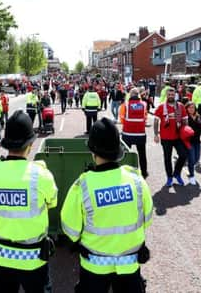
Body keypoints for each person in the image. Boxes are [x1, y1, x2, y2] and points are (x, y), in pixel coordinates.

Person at [60, 118, 152, 293]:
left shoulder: (83, 185)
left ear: (92, 151)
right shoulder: (136, 180)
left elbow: (70, 228)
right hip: (129, 264)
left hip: (95, 266)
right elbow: (147, 219)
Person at [0, 110, 58, 293]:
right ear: (30, 145)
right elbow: (52, 202)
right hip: (33, 259)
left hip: (1, 256)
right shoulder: (41, 175)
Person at [153, 88, 188, 187]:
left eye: (172, 94)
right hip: (165, 137)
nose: (171, 96)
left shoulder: (181, 106)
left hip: (178, 137)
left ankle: (176, 173)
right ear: (166, 95)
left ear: (175, 95)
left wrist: (186, 133)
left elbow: (185, 120)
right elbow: (156, 121)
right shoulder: (161, 107)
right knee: (167, 158)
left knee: (183, 155)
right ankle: (169, 177)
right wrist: (156, 134)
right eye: (169, 95)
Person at [119, 88, 149, 178]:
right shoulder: (144, 104)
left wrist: (127, 124)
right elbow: (145, 117)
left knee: (126, 154)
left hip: (128, 133)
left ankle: (125, 172)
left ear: (130, 95)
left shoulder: (126, 105)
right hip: (140, 133)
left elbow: (121, 117)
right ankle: (144, 172)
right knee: (142, 154)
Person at [185, 102, 201, 171]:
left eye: (193, 107)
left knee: (197, 158)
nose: (191, 109)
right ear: (187, 108)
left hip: (197, 140)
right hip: (188, 141)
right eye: (190, 108)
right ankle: (190, 172)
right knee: (192, 158)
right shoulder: (185, 117)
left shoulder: (198, 116)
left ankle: (188, 164)